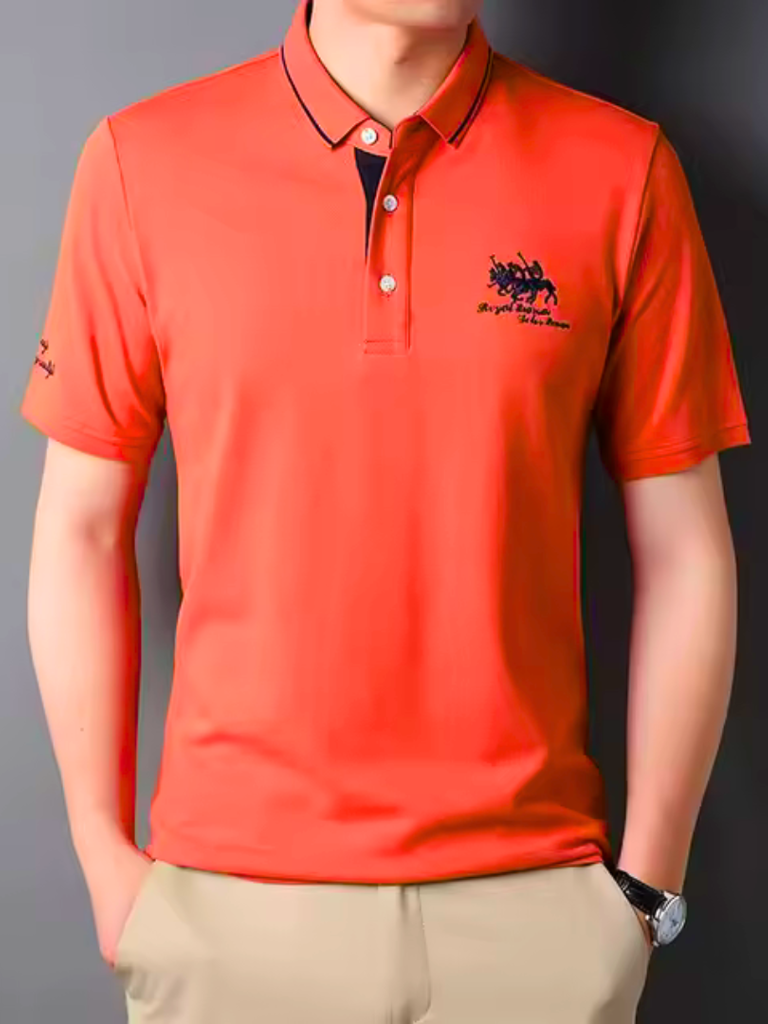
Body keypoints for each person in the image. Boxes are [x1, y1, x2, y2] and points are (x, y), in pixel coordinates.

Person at [19, 1, 751, 1022]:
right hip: (230, 917)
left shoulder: (623, 172)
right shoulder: (142, 165)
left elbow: (685, 550)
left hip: (536, 919)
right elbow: (82, 530)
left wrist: (645, 888)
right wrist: (107, 864)